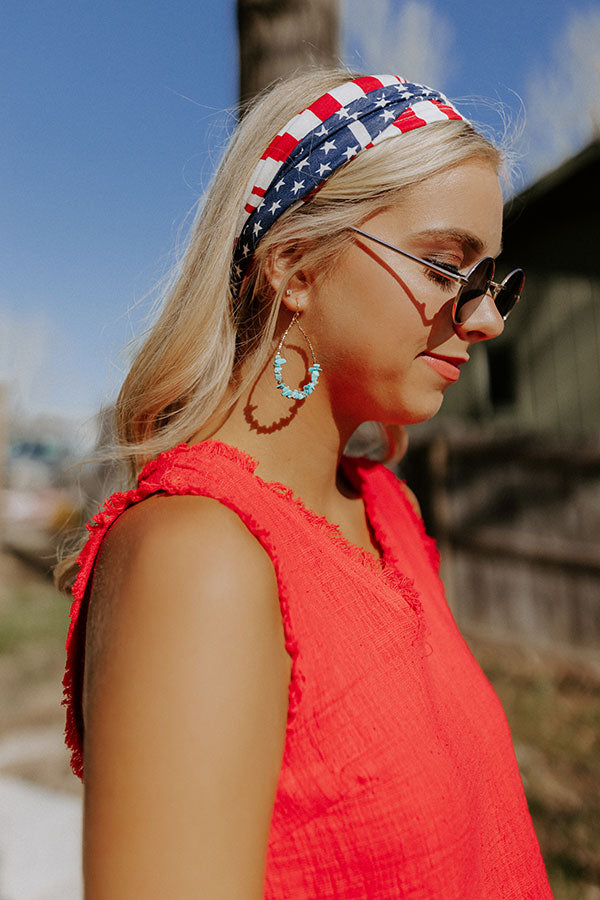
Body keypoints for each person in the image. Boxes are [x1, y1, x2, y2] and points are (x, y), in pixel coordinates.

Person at [57, 68, 553, 898]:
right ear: (293, 266)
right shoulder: (199, 560)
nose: (486, 317)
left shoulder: (386, 512)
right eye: (444, 267)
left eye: (491, 279)